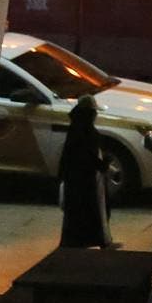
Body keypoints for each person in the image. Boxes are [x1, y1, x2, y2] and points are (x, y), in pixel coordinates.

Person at [56, 96, 111, 249]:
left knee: (76, 213)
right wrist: (102, 164)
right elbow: (87, 155)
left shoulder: (76, 128)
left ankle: (78, 241)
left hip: (76, 179)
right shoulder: (85, 131)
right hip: (85, 180)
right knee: (89, 210)